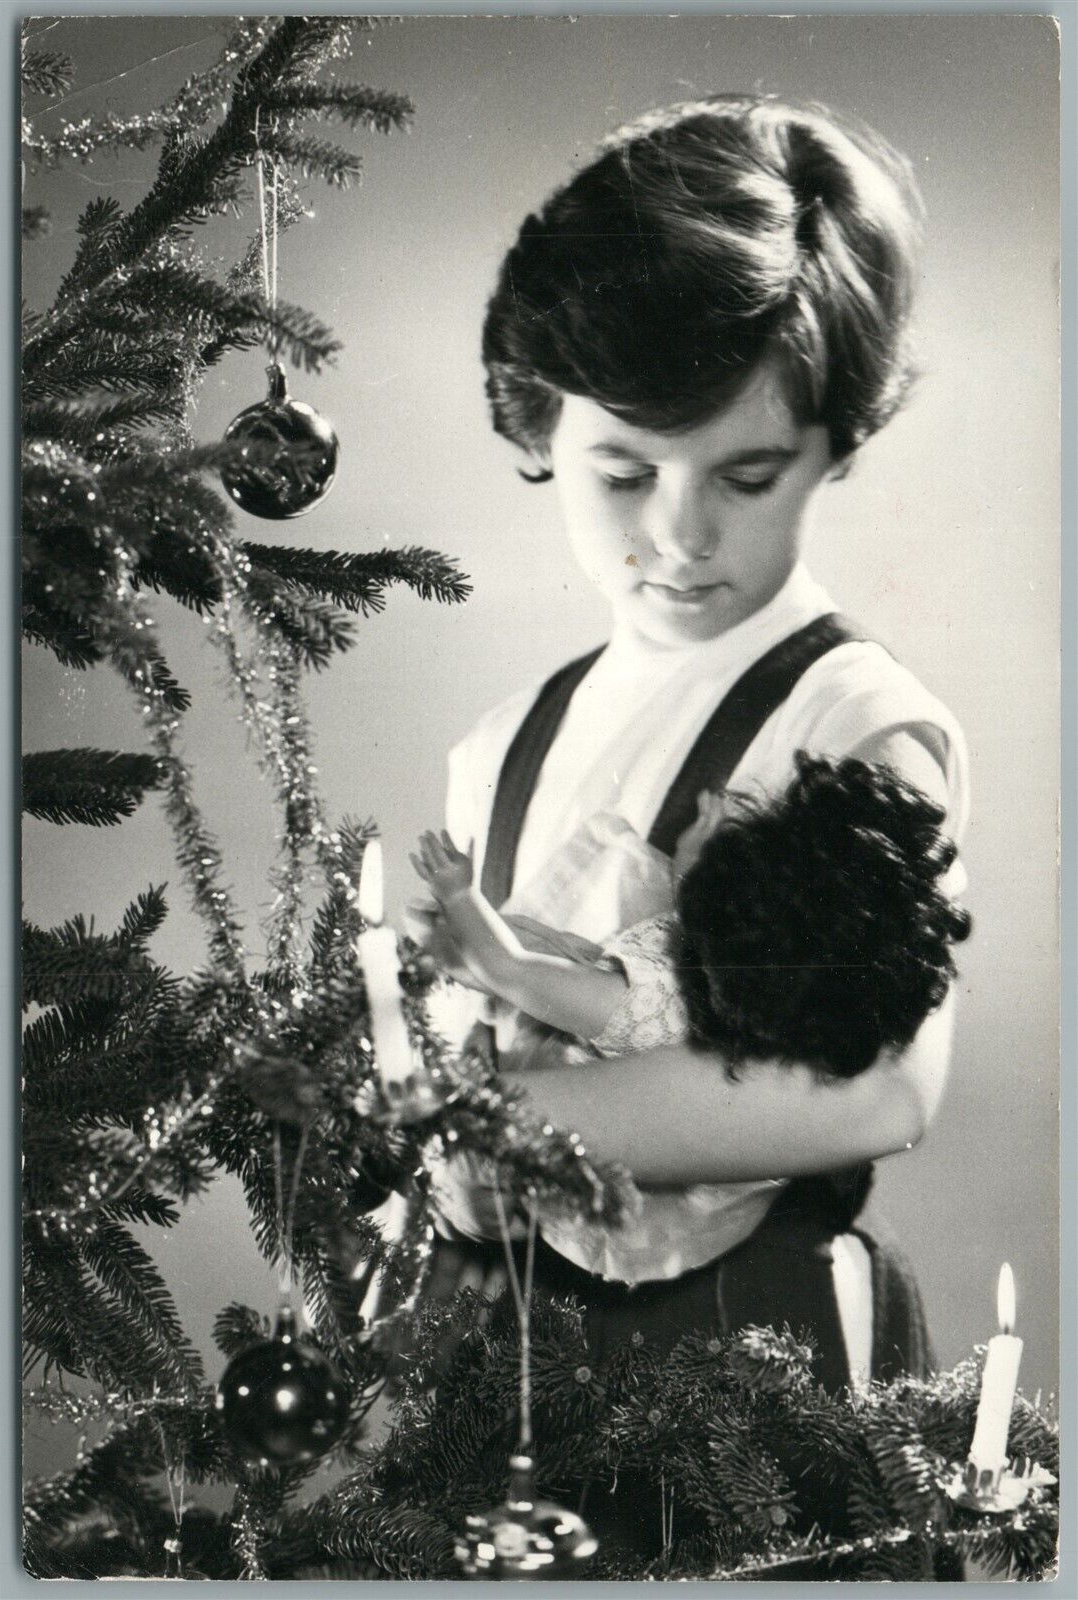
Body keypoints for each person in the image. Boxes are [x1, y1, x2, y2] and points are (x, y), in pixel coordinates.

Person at [411, 93, 970, 1399]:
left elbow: (871, 1092)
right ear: (539, 422)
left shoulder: (854, 719)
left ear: (835, 439)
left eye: (746, 474)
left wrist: (496, 1124)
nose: (680, 536)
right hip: (503, 1358)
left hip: (752, 1365)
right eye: (625, 473)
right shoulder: (500, 748)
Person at [412, 754, 969, 1287]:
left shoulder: (638, 1002)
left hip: (580, 1170)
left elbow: (510, 969)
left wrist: (459, 894)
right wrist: (698, 855)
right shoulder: (767, 994)